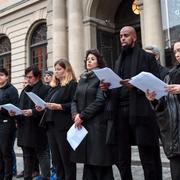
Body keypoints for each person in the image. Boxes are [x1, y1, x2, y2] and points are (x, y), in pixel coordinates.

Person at [100, 26, 162, 180]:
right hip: (120, 113)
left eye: (126, 36)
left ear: (134, 37)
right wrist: (106, 88)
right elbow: (115, 88)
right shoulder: (118, 60)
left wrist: (135, 85)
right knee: (122, 158)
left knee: (148, 158)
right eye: (121, 36)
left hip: (141, 112)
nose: (122, 38)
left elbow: (156, 86)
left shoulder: (146, 58)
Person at [71, 49, 115, 180]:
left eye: (92, 59)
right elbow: (74, 100)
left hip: (97, 125)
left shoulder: (102, 77)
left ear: (98, 62)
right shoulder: (82, 78)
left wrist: (82, 116)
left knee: (99, 161)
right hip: (82, 125)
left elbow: (100, 101)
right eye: (88, 59)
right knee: (88, 162)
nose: (89, 61)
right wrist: (75, 115)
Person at [36, 59, 77, 180]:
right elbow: (47, 102)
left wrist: (60, 106)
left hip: (63, 126)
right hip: (51, 126)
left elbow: (75, 104)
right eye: (55, 69)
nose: (56, 72)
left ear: (67, 70)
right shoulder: (54, 86)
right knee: (56, 160)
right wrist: (41, 107)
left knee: (67, 160)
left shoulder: (73, 85)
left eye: (59, 69)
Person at [146, 41, 180, 180]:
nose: (177, 54)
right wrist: (153, 99)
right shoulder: (170, 75)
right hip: (175, 136)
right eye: (175, 51)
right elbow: (163, 106)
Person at [15, 65, 50, 180]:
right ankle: (27, 177)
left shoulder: (45, 89)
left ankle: (45, 177)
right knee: (27, 157)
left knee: (42, 155)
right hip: (24, 128)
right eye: (27, 77)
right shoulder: (25, 89)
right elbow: (21, 106)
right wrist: (15, 112)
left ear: (38, 77)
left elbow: (47, 108)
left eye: (30, 77)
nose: (28, 80)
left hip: (38, 128)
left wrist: (33, 112)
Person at [0, 68, 19, 180]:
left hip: (7, 124)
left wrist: (2, 109)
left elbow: (16, 108)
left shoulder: (12, 90)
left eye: (1, 75)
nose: (0, 77)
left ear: (7, 76)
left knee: (6, 152)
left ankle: (8, 176)